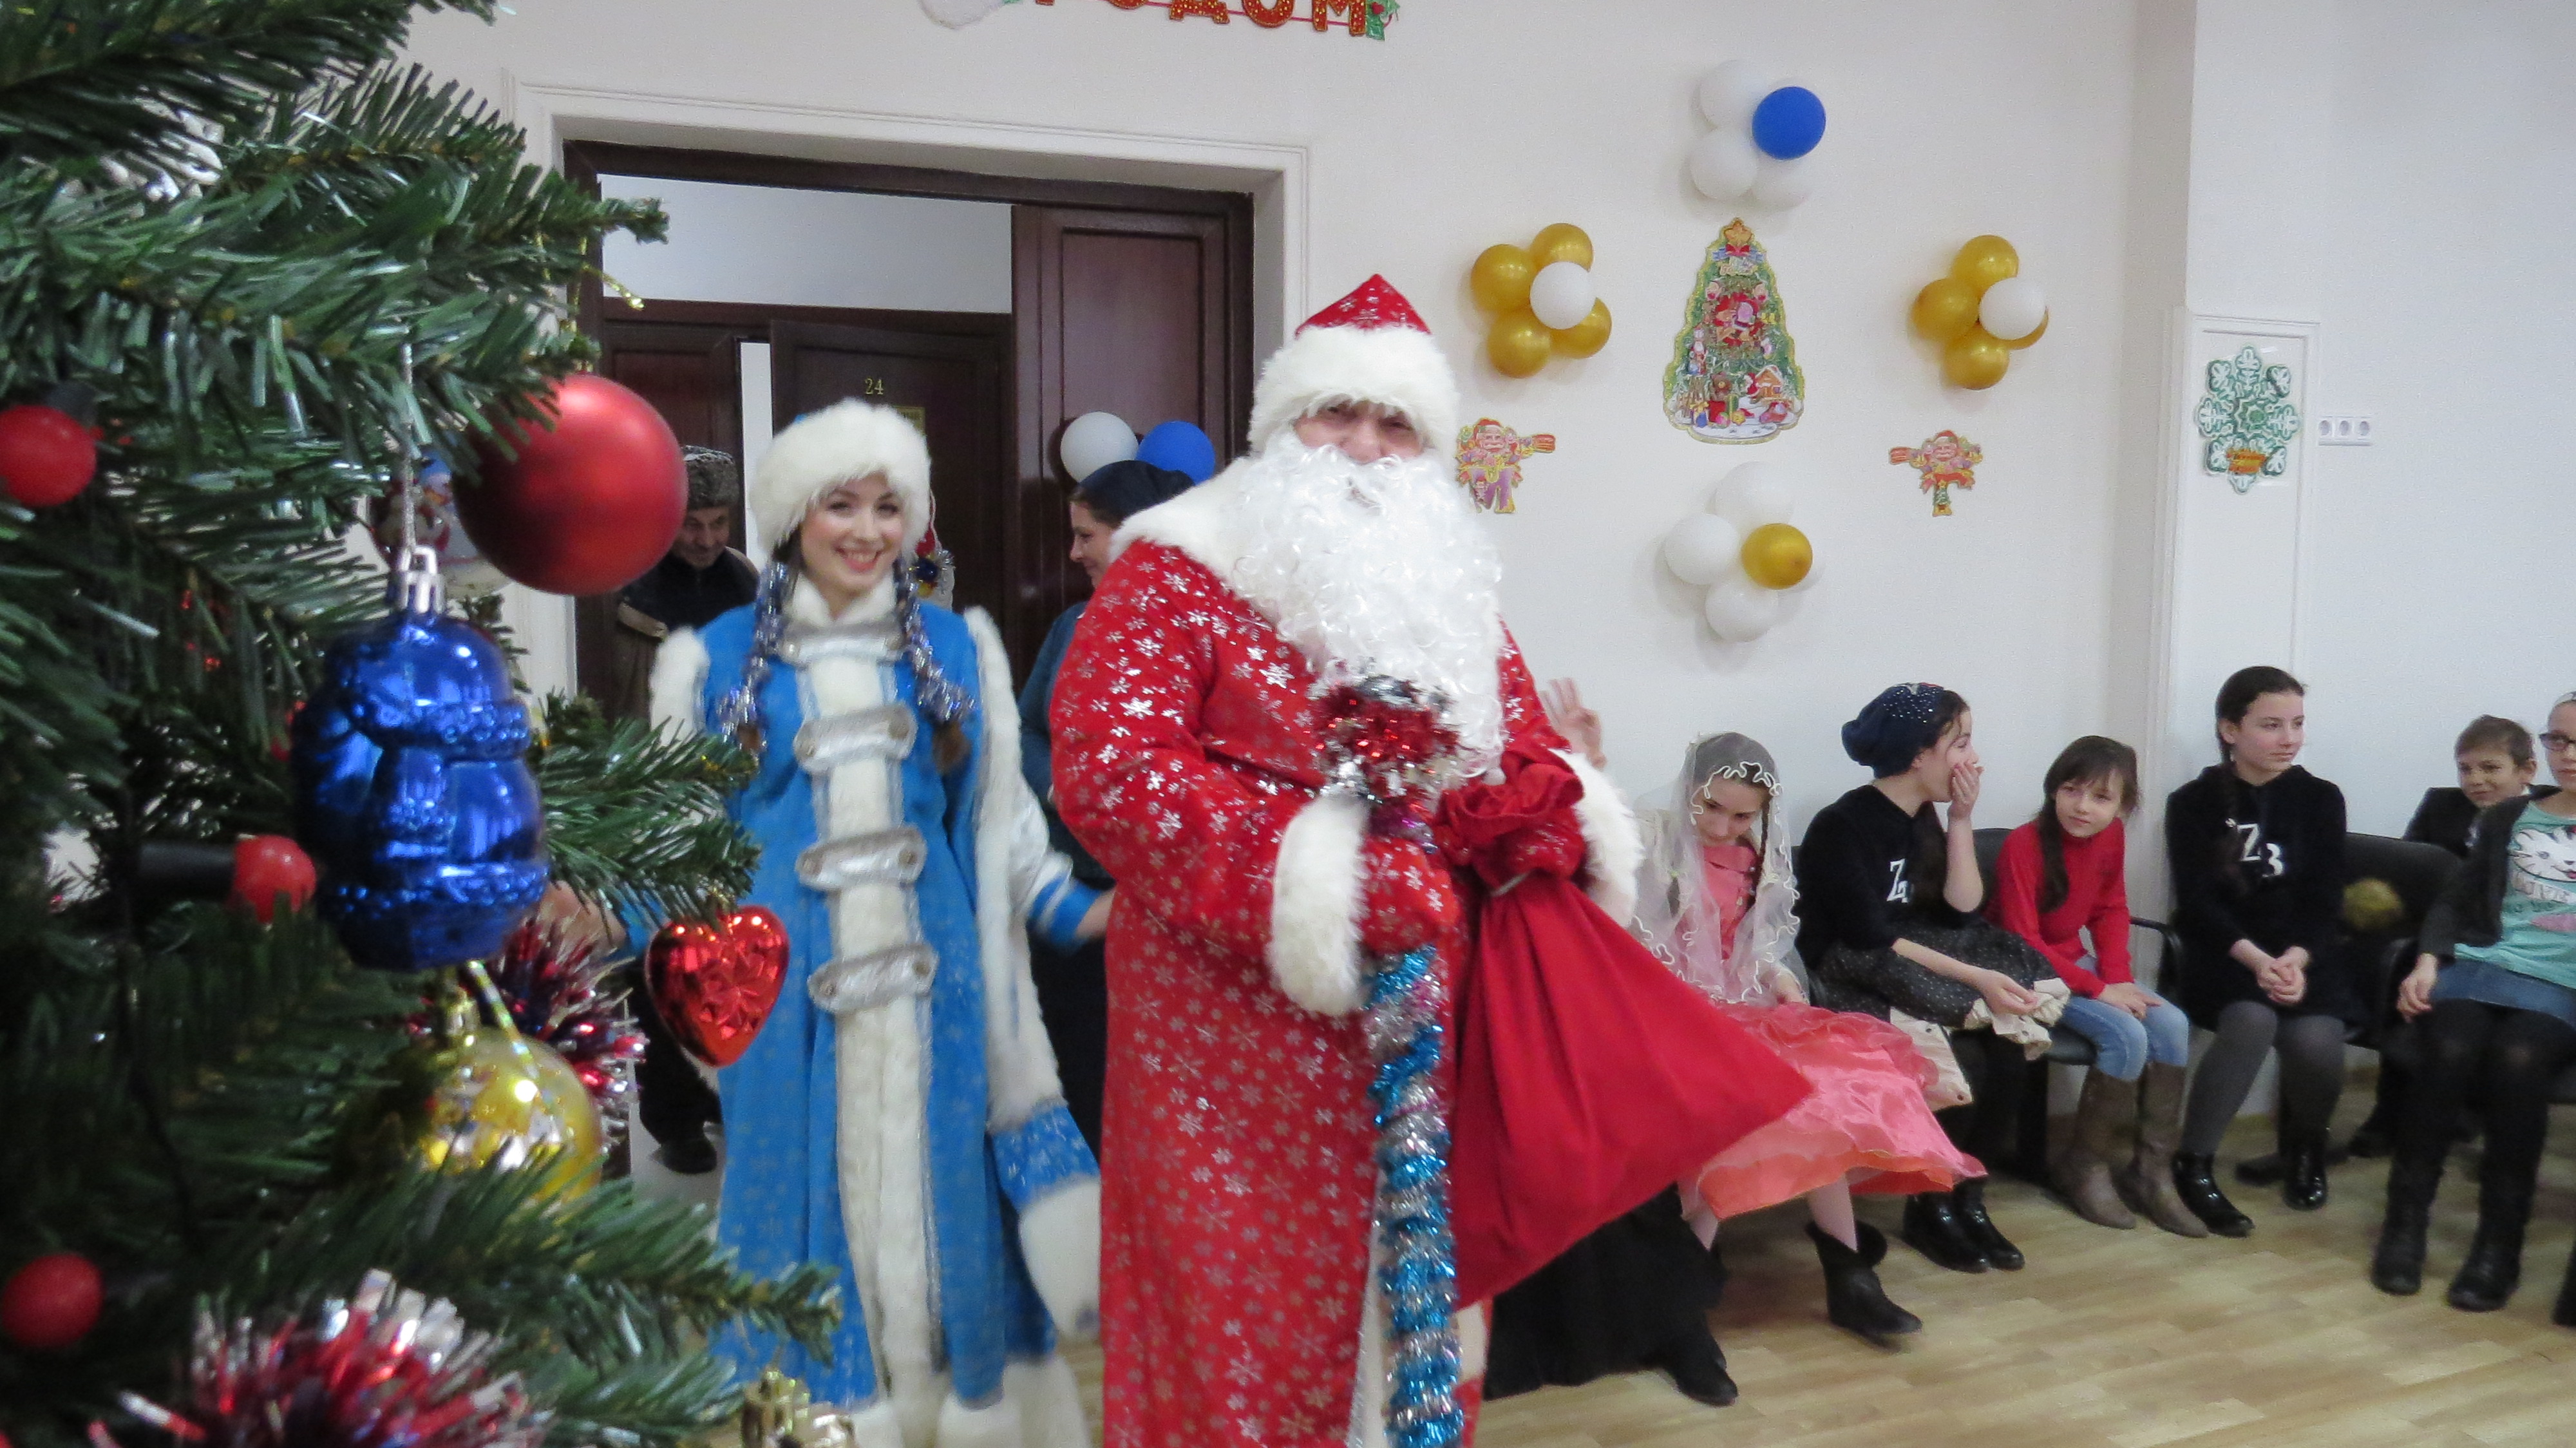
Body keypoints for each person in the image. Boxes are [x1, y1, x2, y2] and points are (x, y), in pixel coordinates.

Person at [1050, 277, 1659, 1448]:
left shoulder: (1447, 586)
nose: (1367, 447)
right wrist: (1326, 874)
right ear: (1285, 425)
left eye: (1397, 424)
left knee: (1420, 1325)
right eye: (1338, 413)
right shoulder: (1176, 567)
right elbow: (1113, 771)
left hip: (1425, 1037)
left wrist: (1549, 815)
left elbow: (1516, 745)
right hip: (1225, 1049)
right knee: (1240, 1336)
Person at [647, 401, 1109, 1445]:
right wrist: (682, 973)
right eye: (841, 505)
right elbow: (676, 846)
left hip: (938, 985)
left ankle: (960, 1417)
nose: (866, 530)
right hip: (784, 995)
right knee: (798, 1210)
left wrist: (1065, 904)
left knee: (946, 1204)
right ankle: (825, 1417)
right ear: (792, 516)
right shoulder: (714, 658)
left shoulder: (953, 644)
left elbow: (995, 815)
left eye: (887, 506)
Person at [1797, 684, 2056, 1275]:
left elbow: (1961, 910)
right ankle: (1930, 1203)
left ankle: (1968, 1196)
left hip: (1914, 965)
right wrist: (1977, 978)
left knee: (2008, 1047)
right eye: (1960, 744)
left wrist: (1961, 820)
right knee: (1966, 1057)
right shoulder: (1842, 825)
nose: (1973, 759)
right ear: (1919, 754)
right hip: (1854, 973)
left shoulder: (1925, 818)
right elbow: (1868, 935)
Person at [2374, 692, 2576, 1317]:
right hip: (2484, 966)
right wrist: (2427, 962)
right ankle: (2404, 1223)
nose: (2567, 754)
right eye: (2558, 739)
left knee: (2517, 1058)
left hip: (2563, 983)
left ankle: (2498, 1247)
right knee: (2449, 1043)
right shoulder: (2509, 816)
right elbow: (2453, 902)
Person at [1016, 459, 1197, 1154]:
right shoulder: (1072, 626)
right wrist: (1059, 788)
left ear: (1134, 535)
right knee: (1073, 1071)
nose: (1073, 553)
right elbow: (1026, 731)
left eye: (1086, 535)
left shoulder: (1198, 636)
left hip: (1158, 906)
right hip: (1067, 893)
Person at [598, 445, 757, 1172]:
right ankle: (675, 1116)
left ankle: (727, 1094)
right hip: (654, 795)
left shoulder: (749, 585)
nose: (706, 538)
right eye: (693, 524)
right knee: (659, 955)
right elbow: (614, 699)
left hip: (734, 794)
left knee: (729, 952)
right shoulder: (627, 590)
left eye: (718, 523)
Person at [2163, 666, 2358, 1235]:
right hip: (2224, 952)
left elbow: (2326, 896)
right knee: (2252, 1020)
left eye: (2297, 724)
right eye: (2271, 725)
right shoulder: (2193, 802)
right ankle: (2194, 1162)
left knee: (2317, 1042)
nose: (2289, 739)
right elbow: (2198, 902)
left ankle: (2305, 1149)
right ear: (2231, 730)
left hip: (2302, 952)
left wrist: (2296, 959)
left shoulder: (2321, 798)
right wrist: (2256, 960)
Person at [1985, 737, 2203, 1236]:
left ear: (2123, 806)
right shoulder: (2024, 844)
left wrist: (2118, 976)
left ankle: (2151, 1171)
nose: (2083, 807)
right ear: (2053, 790)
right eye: (2072, 790)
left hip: (2070, 962)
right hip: (2019, 971)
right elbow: (2021, 941)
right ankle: (2083, 1166)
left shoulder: (2111, 837)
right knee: (2126, 1034)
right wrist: (2100, 990)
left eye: (2101, 797)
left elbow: (2110, 908)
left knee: (2172, 1024)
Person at [2348, 716, 2546, 1157]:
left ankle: (2473, 1109)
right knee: (2400, 967)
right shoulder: (2442, 806)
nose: (2476, 780)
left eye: (2490, 768)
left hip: (2512, 941)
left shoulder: (2550, 815)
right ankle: (2390, 1111)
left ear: (2526, 771)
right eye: (2466, 769)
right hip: (2442, 933)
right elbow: (2409, 871)